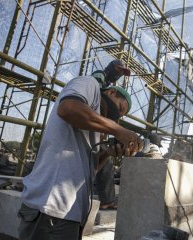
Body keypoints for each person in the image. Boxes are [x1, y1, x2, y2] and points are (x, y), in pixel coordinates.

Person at [18, 61, 142, 240]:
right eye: (120, 108)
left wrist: (108, 153)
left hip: (70, 214)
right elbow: (67, 108)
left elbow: (90, 171)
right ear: (111, 92)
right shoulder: (89, 84)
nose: (118, 115)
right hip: (50, 208)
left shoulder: (96, 125)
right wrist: (117, 130)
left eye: (121, 116)